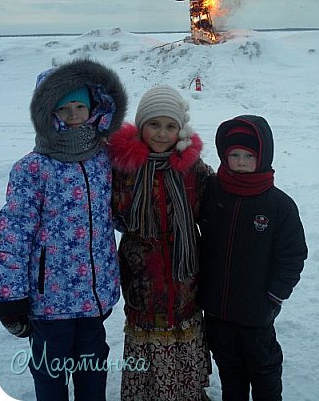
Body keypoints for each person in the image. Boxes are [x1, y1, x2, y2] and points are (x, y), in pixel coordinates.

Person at [0, 59, 128, 401]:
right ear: (48, 112)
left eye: (80, 106)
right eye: (64, 107)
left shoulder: (102, 159)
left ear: (93, 108)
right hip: (48, 301)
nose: (73, 114)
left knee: (91, 369)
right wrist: (10, 297)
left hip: (93, 297)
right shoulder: (33, 168)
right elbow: (14, 236)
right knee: (50, 372)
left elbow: (113, 209)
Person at [108, 85, 212, 401]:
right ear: (141, 126)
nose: (162, 134)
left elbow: (213, 207)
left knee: (183, 323)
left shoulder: (192, 169)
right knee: (147, 327)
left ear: (181, 130)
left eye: (170, 126)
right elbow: (111, 212)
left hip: (184, 269)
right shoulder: (124, 167)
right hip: (142, 271)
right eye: (155, 124)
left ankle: (187, 392)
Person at [198, 115, 308, 401]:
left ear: (263, 156)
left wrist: (274, 295)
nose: (241, 161)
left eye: (249, 155)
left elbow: (293, 254)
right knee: (230, 371)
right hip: (217, 309)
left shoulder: (279, 205)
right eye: (234, 155)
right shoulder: (211, 192)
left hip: (256, 313)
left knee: (264, 370)